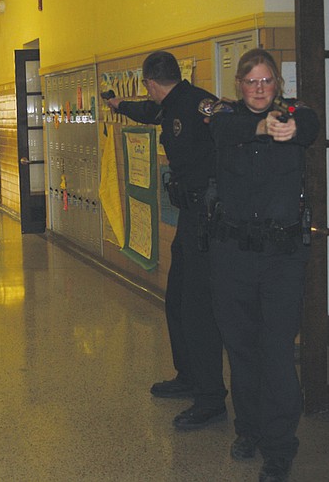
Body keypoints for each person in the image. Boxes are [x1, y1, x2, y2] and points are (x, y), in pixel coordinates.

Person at [207, 48, 319, 482]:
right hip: (232, 256)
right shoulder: (225, 117)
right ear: (239, 85)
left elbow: (309, 124)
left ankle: (279, 446)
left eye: (266, 81)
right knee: (241, 348)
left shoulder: (295, 117)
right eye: (251, 82)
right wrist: (260, 125)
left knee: (275, 353)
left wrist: (289, 125)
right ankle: (248, 430)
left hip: (280, 260)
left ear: (278, 85)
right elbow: (225, 128)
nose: (259, 89)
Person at [105, 51, 228, 430]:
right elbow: (147, 112)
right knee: (176, 299)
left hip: (208, 221)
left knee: (198, 309)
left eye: (146, 88)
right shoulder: (171, 103)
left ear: (151, 83)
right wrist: (119, 105)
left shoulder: (201, 105)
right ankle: (188, 375)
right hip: (190, 220)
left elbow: (232, 136)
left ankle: (211, 398)